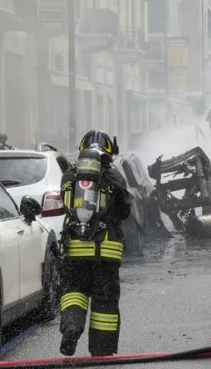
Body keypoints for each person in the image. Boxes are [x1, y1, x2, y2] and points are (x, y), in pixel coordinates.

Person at [58, 130, 131, 357]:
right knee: (105, 302)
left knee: (73, 291)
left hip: (74, 249)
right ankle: (102, 352)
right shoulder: (113, 175)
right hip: (106, 251)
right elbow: (125, 211)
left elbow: (66, 204)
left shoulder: (70, 175)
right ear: (109, 150)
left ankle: (71, 327)